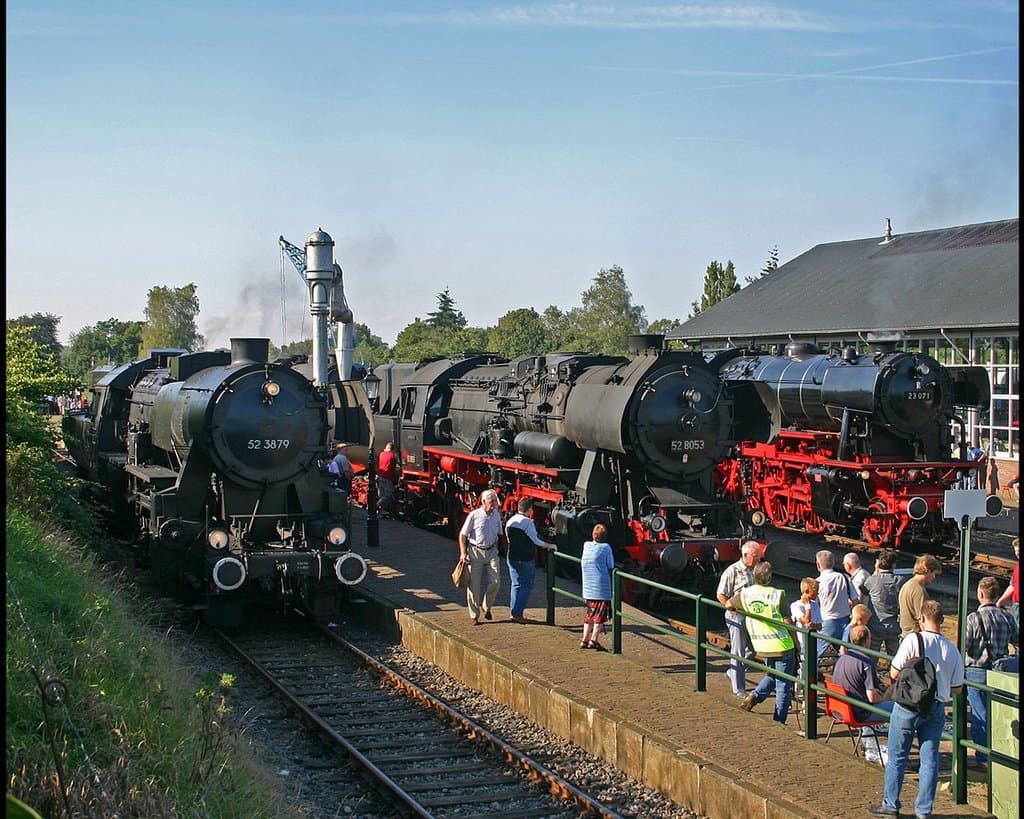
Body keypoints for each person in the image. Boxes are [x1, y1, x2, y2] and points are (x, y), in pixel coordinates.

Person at [868, 600, 964, 819]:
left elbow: (893, 672)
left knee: (898, 756)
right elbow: (957, 688)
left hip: (907, 706)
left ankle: (891, 804)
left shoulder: (914, 639)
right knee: (930, 759)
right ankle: (924, 810)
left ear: (921, 618)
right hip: (936, 707)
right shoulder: (952, 649)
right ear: (941, 620)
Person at [727, 561, 797, 724]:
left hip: (762, 646)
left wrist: (738, 612)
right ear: (770, 577)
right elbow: (788, 623)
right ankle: (779, 721)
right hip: (782, 646)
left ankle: (754, 696)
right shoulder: (777, 595)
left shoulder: (745, 594)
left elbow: (728, 604)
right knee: (783, 685)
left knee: (773, 676)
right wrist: (797, 644)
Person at [963, 576, 1019, 770]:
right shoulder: (1007, 617)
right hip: (1000, 671)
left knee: (980, 715)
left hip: (976, 670)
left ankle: (983, 758)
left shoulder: (972, 618)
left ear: (980, 594)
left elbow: (966, 646)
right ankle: (1003, 752)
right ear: (996, 596)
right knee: (999, 713)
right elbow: (1017, 640)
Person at [716, 540, 760, 697]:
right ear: (745, 555)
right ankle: (738, 688)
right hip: (737, 614)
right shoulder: (732, 571)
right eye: (755, 556)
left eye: (759, 557)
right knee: (738, 650)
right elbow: (720, 593)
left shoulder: (756, 570)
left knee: (754, 649)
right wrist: (729, 606)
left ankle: (732, 672)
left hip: (753, 614)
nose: (758, 560)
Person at [504, 497, 556, 623]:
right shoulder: (527, 522)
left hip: (512, 556)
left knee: (515, 584)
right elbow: (536, 541)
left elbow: (508, 538)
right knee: (526, 585)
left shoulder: (511, 521)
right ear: (530, 510)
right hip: (525, 557)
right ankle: (518, 613)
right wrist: (550, 546)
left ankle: (513, 611)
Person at [458, 489, 504, 625]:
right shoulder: (474, 515)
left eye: (495, 501)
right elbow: (463, 535)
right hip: (475, 551)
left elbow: (500, 533)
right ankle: (474, 615)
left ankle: (486, 605)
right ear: (483, 502)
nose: (494, 504)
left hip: (492, 551)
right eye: (491, 502)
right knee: (474, 585)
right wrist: (463, 552)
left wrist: (503, 547)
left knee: (496, 581)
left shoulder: (496, 515)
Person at [832, 624, 894, 723]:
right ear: (866, 641)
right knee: (899, 709)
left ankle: (869, 733)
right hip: (858, 713)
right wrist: (884, 698)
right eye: (870, 638)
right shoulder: (866, 662)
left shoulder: (841, 658)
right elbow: (872, 698)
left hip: (839, 709)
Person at [815, 550, 859, 659]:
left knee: (814, 654)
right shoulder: (844, 578)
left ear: (818, 564)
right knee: (845, 653)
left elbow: (814, 606)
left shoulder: (816, 583)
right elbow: (855, 600)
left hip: (825, 622)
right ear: (833, 563)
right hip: (844, 621)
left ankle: (808, 674)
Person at [579, 523, 615, 650]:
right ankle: (594, 640)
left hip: (588, 587)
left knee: (590, 613)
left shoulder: (586, 545)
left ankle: (584, 639)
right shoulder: (606, 548)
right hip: (601, 587)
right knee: (600, 615)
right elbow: (610, 565)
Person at [862, 550, 902, 658]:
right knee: (896, 658)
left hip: (875, 625)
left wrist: (875, 571)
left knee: (872, 656)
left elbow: (863, 590)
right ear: (894, 565)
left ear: (879, 563)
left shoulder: (872, 580)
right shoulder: (899, 581)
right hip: (894, 625)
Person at [790, 577, 822, 702]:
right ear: (807, 591)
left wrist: (811, 623)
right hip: (802, 645)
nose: (818, 594)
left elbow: (819, 625)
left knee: (811, 673)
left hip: (813, 645)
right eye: (816, 591)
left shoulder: (816, 605)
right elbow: (806, 621)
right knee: (802, 672)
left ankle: (807, 696)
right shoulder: (796, 606)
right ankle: (797, 693)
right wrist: (808, 607)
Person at [897, 554, 941, 638]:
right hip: (915, 637)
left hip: (907, 635)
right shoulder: (918, 590)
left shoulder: (908, 584)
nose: (934, 578)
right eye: (934, 574)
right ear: (928, 571)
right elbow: (923, 619)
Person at [995, 536, 1019, 629]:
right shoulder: (1017, 567)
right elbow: (1013, 586)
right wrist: (1000, 601)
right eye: (1016, 551)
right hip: (1016, 606)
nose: (1017, 553)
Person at [376, 442, 399, 516]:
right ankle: (375, 506)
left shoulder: (381, 454)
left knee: (382, 494)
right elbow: (399, 463)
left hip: (380, 476)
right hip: (387, 477)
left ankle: (382, 511)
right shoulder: (393, 455)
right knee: (389, 494)